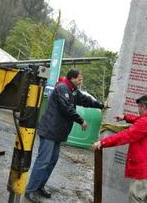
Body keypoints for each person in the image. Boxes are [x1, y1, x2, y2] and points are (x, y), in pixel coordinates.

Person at [25, 68, 106, 202]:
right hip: (50, 130)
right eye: (79, 79)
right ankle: (30, 190)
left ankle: (39, 186)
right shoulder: (62, 88)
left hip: (58, 132)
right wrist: (81, 120)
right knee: (43, 161)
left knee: (52, 161)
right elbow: (66, 107)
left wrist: (101, 105)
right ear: (72, 78)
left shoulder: (73, 91)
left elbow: (86, 100)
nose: (81, 82)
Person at [92, 95, 147, 203]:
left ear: (143, 107)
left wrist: (102, 142)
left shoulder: (146, 122)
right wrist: (126, 117)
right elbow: (142, 120)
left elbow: (126, 135)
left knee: (136, 196)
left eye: (138, 107)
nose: (138, 110)